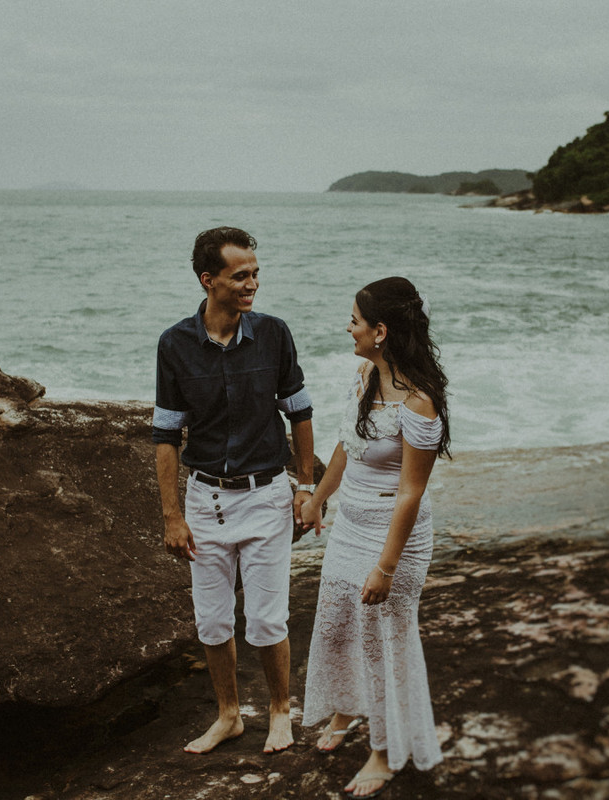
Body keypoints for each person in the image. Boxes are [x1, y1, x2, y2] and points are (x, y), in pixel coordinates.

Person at [153, 226, 315, 755]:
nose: (252, 284)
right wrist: (172, 516)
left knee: (268, 620)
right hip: (205, 500)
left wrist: (306, 485)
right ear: (208, 280)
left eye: (255, 273)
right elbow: (164, 436)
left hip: (267, 495)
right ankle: (228, 715)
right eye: (240, 275)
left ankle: (278, 711)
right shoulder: (175, 344)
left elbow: (300, 413)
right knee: (212, 618)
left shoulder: (274, 334)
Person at [300, 276, 450, 798]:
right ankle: (345, 711)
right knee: (339, 624)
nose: (349, 327)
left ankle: (383, 752)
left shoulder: (420, 403)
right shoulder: (364, 373)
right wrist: (318, 498)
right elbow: (348, 442)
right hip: (350, 526)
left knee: (384, 640)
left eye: (356, 320)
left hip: (395, 538)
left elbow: (410, 492)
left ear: (381, 330)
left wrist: (386, 567)